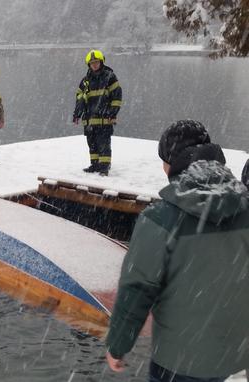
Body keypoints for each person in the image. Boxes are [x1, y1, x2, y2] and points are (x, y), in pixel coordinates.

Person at [105, 120, 249, 381]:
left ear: (172, 163)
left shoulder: (160, 219)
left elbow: (137, 288)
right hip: (234, 353)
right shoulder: (244, 207)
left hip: (177, 361)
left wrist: (118, 345)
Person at [73, 49, 122, 176]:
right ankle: (94, 164)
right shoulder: (85, 81)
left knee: (103, 143)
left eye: (96, 62)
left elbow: (117, 97)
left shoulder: (109, 77)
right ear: (88, 65)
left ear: (101, 62)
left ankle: (104, 167)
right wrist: (77, 114)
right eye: (92, 63)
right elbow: (79, 98)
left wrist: (113, 113)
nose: (94, 64)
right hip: (89, 119)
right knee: (92, 143)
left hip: (104, 119)